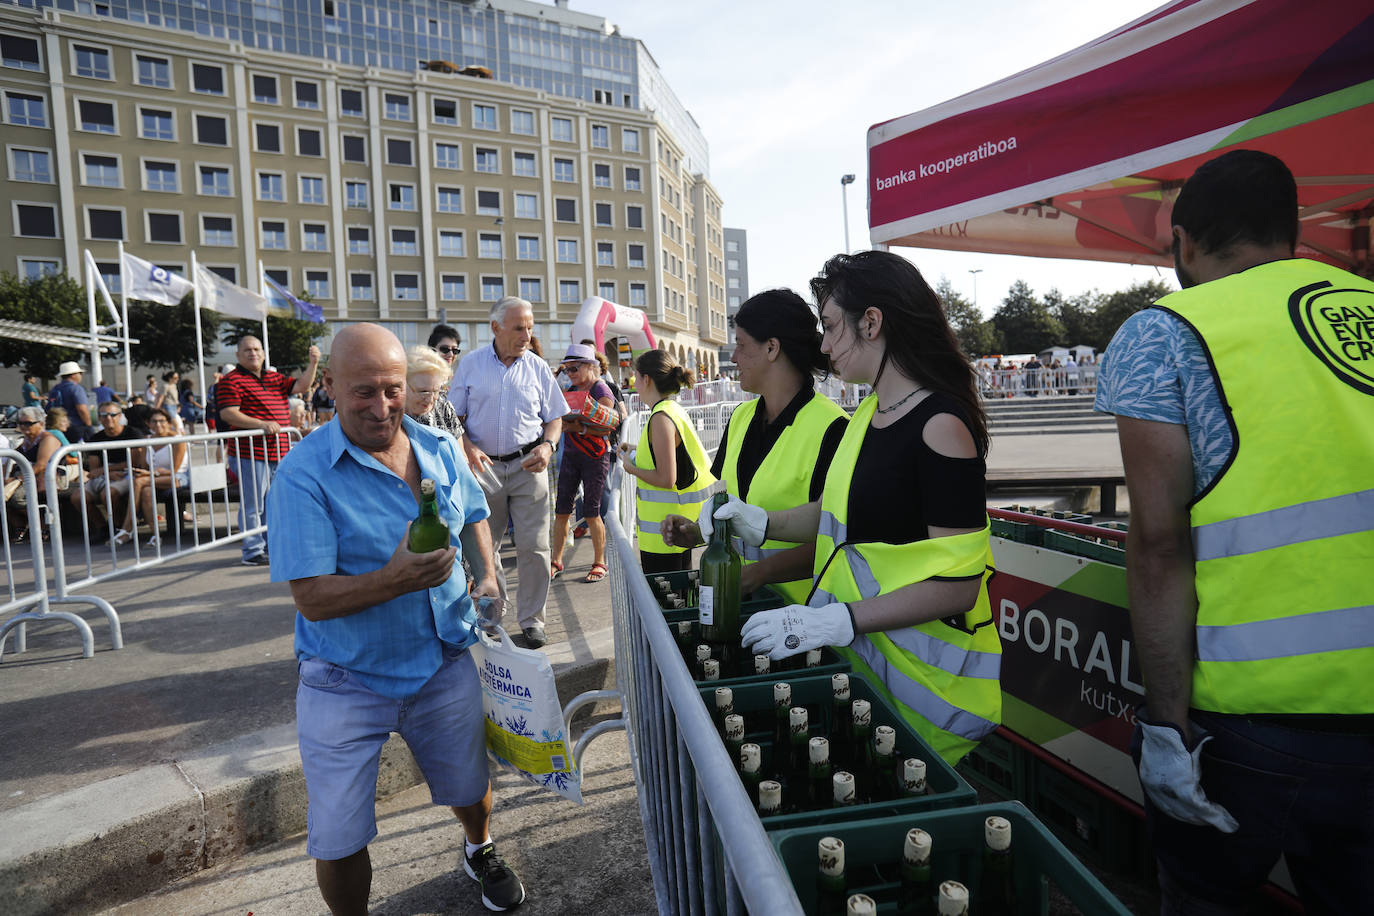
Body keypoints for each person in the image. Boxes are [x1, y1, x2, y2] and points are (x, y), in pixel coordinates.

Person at [1095, 149, 1374, 913]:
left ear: (1184, 241)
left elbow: (1157, 544)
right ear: (1294, 232)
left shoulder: (1167, 331)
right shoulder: (1365, 305)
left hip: (1250, 720)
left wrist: (1166, 726)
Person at [266, 323, 524, 915]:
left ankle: (479, 847)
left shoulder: (435, 446)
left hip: (443, 657)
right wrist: (395, 579)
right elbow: (311, 598)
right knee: (338, 834)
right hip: (344, 677)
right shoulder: (303, 474)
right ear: (329, 384)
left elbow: (475, 512)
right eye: (363, 392)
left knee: (469, 785)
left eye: (393, 389)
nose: (382, 407)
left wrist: (487, 572)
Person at [715, 251, 1000, 767]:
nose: (822, 345)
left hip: (926, 699)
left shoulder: (941, 425)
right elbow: (833, 513)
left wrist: (839, 620)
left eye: (829, 326)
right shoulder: (868, 412)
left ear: (871, 322)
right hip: (869, 676)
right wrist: (764, 523)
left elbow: (962, 585)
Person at [660, 289, 848, 603]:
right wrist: (695, 532)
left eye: (741, 345)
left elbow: (837, 537)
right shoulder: (740, 417)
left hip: (800, 617)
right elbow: (735, 510)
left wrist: (759, 574)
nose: (733, 357)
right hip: (741, 609)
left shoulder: (833, 428)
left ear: (772, 348)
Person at [449, 297, 562, 649]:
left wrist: (548, 446)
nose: (527, 334)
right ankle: (491, 617)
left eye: (530, 327)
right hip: (485, 469)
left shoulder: (538, 367)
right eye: (519, 327)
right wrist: (467, 447)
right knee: (485, 548)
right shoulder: (470, 365)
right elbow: (454, 419)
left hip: (530, 465)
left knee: (536, 548)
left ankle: (532, 621)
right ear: (496, 328)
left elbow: (555, 418)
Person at [217, 336, 321, 566]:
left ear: (264, 353)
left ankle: (270, 545)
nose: (253, 353)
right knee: (254, 505)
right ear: (237, 356)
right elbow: (228, 413)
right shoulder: (230, 381)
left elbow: (301, 386)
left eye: (256, 349)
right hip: (250, 453)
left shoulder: (273, 378)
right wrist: (261, 424)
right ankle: (253, 550)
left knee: (274, 503)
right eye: (247, 350)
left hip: (278, 451)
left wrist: (313, 363)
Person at [619, 349, 715, 573]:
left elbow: (666, 478)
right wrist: (635, 449)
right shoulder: (671, 410)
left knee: (664, 603)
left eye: (636, 376)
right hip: (675, 527)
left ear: (646, 379)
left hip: (664, 535)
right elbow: (667, 454)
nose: (634, 382)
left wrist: (630, 468)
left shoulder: (660, 418)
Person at [549, 343, 617, 583]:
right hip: (571, 455)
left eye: (575, 368)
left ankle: (600, 562)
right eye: (567, 369)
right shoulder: (570, 388)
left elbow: (609, 425)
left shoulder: (601, 390)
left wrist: (580, 427)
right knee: (562, 510)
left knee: (592, 511)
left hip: (595, 457)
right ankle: (556, 560)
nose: (570, 373)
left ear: (591, 366)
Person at [69, 401, 145, 541]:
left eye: (112, 414)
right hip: (106, 476)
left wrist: (107, 470)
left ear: (120, 416)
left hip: (129, 473)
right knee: (77, 497)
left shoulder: (133, 433)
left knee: (108, 494)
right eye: (103, 415)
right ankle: (103, 528)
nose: (108, 418)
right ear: (99, 417)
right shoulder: (96, 438)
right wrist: (108, 473)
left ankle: (121, 528)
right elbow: (93, 470)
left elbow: (134, 462)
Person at [114, 406, 188, 547]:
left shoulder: (177, 440)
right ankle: (155, 535)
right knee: (146, 492)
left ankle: (127, 528)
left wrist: (151, 474)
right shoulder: (147, 440)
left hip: (178, 477)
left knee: (139, 482)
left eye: (162, 421)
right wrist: (146, 472)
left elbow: (174, 470)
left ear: (168, 422)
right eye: (154, 421)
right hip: (153, 478)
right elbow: (144, 467)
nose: (158, 425)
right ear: (148, 423)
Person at [5, 407, 64, 542]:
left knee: (16, 497)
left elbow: (41, 465)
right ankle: (20, 525)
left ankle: (43, 521)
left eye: (28, 423)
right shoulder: (24, 441)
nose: (24, 426)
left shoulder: (47, 439)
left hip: (41, 477)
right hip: (26, 477)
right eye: (21, 423)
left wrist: (16, 479)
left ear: (41, 423)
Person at [404, 345, 462, 442]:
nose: (430, 399)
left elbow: (460, 453)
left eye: (436, 391)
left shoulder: (443, 406)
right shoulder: (391, 415)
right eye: (423, 392)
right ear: (403, 385)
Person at [419, 325, 464, 438]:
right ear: (432, 350)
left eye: (455, 350)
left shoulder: (456, 379)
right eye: (445, 349)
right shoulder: (421, 378)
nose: (450, 354)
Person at [47, 361, 94, 441]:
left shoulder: (55, 388)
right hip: (76, 427)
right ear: (73, 375)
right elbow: (82, 409)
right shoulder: (76, 388)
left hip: (59, 426)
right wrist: (89, 425)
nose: (80, 376)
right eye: (79, 373)